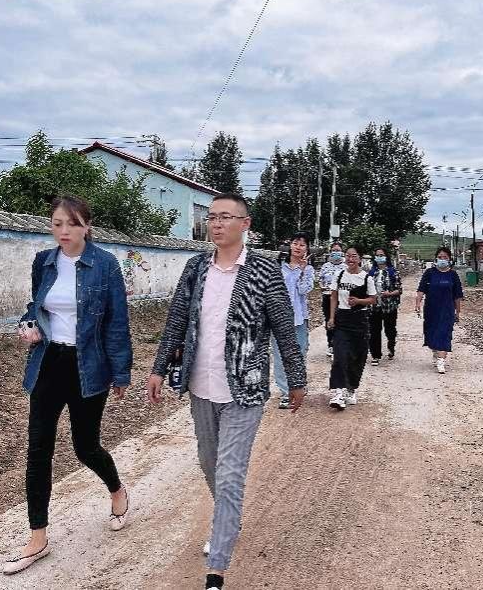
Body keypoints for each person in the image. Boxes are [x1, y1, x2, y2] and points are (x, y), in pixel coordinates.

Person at [147, 193, 306, 590]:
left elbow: (284, 328)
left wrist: (296, 377)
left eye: (225, 217)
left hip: (244, 390)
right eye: (212, 217)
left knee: (230, 475)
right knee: (210, 464)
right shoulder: (196, 267)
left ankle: (216, 570)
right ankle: (228, 519)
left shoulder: (265, 271)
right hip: (201, 387)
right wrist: (159, 368)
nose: (216, 224)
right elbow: (176, 320)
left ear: (245, 224)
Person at [5, 195, 131, 575]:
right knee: (38, 447)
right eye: (57, 223)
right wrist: (28, 325)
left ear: (86, 227)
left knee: (85, 447)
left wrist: (120, 372)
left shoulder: (105, 264)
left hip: (88, 365)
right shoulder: (43, 261)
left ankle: (117, 489)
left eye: (72, 224)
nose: (64, 231)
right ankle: (38, 537)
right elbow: (36, 306)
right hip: (49, 362)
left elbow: (117, 321)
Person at [327, 245, 376, 409]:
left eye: (354, 256)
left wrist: (359, 301)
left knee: (357, 356)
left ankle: (351, 389)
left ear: (360, 258)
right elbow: (333, 297)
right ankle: (338, 392)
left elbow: (373, 299)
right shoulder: (339, 275)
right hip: (342, 319)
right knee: (340, 355)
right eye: (347, 256)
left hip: (360, 320)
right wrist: (332, 317)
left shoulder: (366, 278)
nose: (350, 259)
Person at [272, 232, 315, 409]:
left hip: (299, 318)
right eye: (295, 243)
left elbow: (304, 290)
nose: (298, 247)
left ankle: (298, 385)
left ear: (307, 249)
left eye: (302, 244)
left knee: (299, 353)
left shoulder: (309, 270)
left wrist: (303, 271)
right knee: (279, 355)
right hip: (279, 318)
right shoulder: (278, 267)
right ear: (290, 245)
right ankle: (285, 392)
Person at [415, 246, 463, 374]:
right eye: (440, 257)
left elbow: (457, 296)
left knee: (444, 334)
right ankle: (436, 351)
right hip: (431, 309)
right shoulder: (429, 273)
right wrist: (418, 303)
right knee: (431, 333)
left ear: (449, 259)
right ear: (436, 259)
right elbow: (421, 289)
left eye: (445, 257)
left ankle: (441, 360)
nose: (442, 259)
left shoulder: (453, 275)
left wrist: (458, 312)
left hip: (447, 310)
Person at [368, 247, 403, 366]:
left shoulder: (393, 272)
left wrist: (389, 294)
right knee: (374, 331)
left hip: (389, 307)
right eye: (377, 255)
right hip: (374, 306)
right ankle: (375, 355)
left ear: (386, 257)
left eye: (381, 255)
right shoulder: (371, 272)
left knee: (390, 329)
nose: (379, 257)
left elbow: (399, 290)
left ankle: (391, 346)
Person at [317, 241, 346, 357]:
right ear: (330, 252)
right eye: (334, 251)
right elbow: (320, 280)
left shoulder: (346, 267)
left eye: (338, 250)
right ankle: (331, 344)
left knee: (341, 320)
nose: (336, 252)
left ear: (342, 252)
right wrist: (322, 286)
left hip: (341, 298)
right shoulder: (325, 266)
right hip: (327, 296)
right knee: (329, 320)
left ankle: (341, 344)